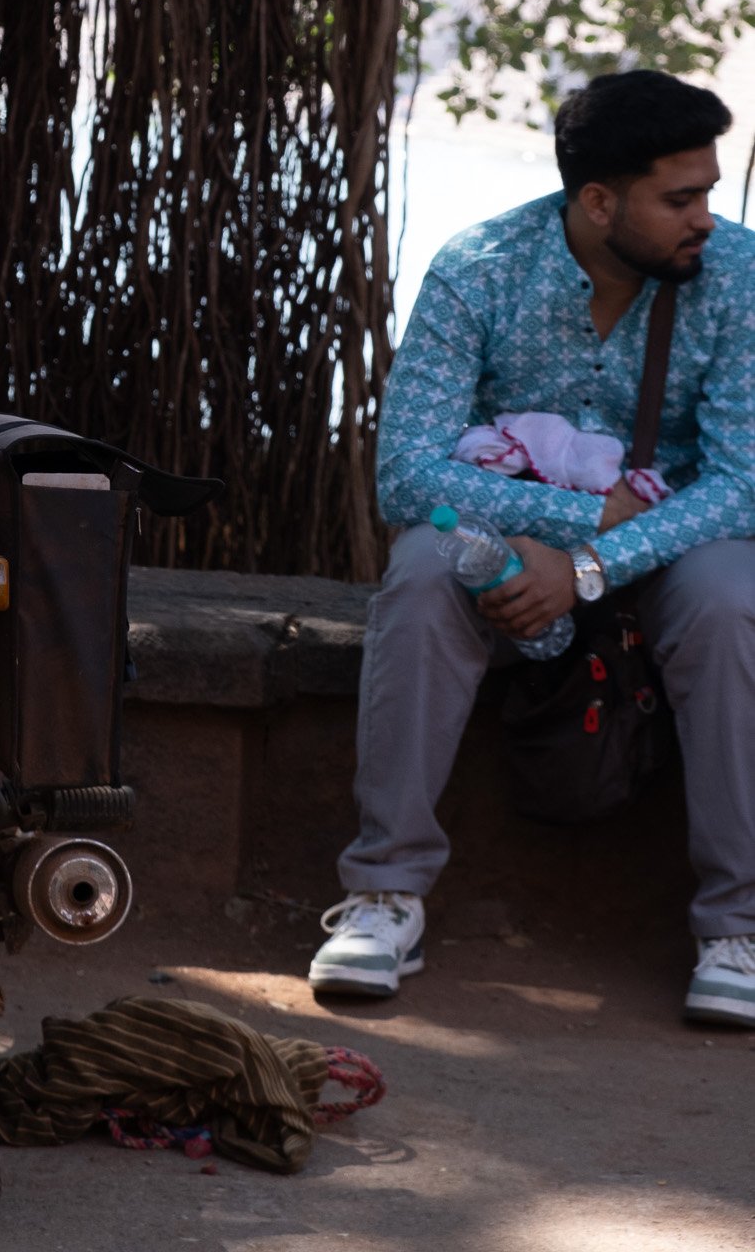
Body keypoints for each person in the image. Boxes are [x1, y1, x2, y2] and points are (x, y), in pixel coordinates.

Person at [308, 70, 755, 1026]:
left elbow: (740, 483)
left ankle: (737, 927)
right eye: (679, 198)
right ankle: (385, 895)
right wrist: (576, 525)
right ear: (597, 201)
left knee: (730, 600)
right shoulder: (477, 268)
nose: (705, 218)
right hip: (510, 537)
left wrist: (592, 566)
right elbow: (407, 476)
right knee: (424, 572)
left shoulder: (740, 279)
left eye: (708, 191)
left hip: (677, 542)